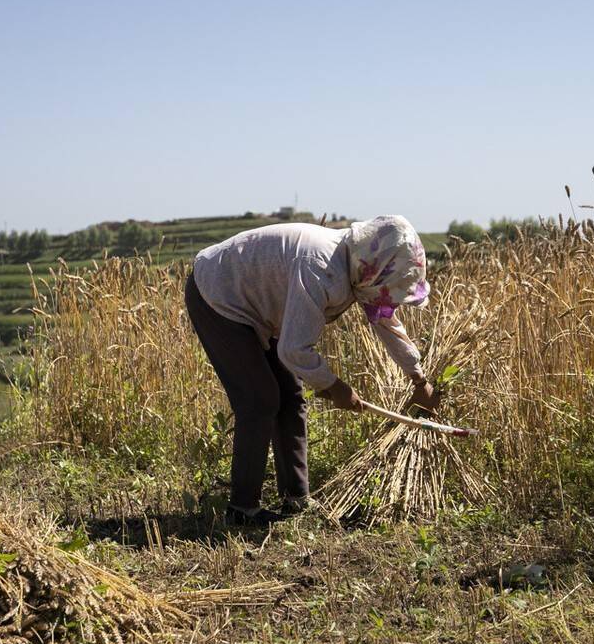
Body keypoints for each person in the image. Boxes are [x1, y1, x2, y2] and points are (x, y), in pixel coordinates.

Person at [184, 215, 438, 526]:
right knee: (260, 400)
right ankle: (242, 508)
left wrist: (418, 377)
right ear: (375, 268)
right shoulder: (321, 268)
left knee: (291, 397)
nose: (389, 295)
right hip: (218, 294)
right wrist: (335, 387)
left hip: (259, 307)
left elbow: (386, 322)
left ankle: (296, 498)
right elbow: (293, 349)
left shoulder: (359, 268)